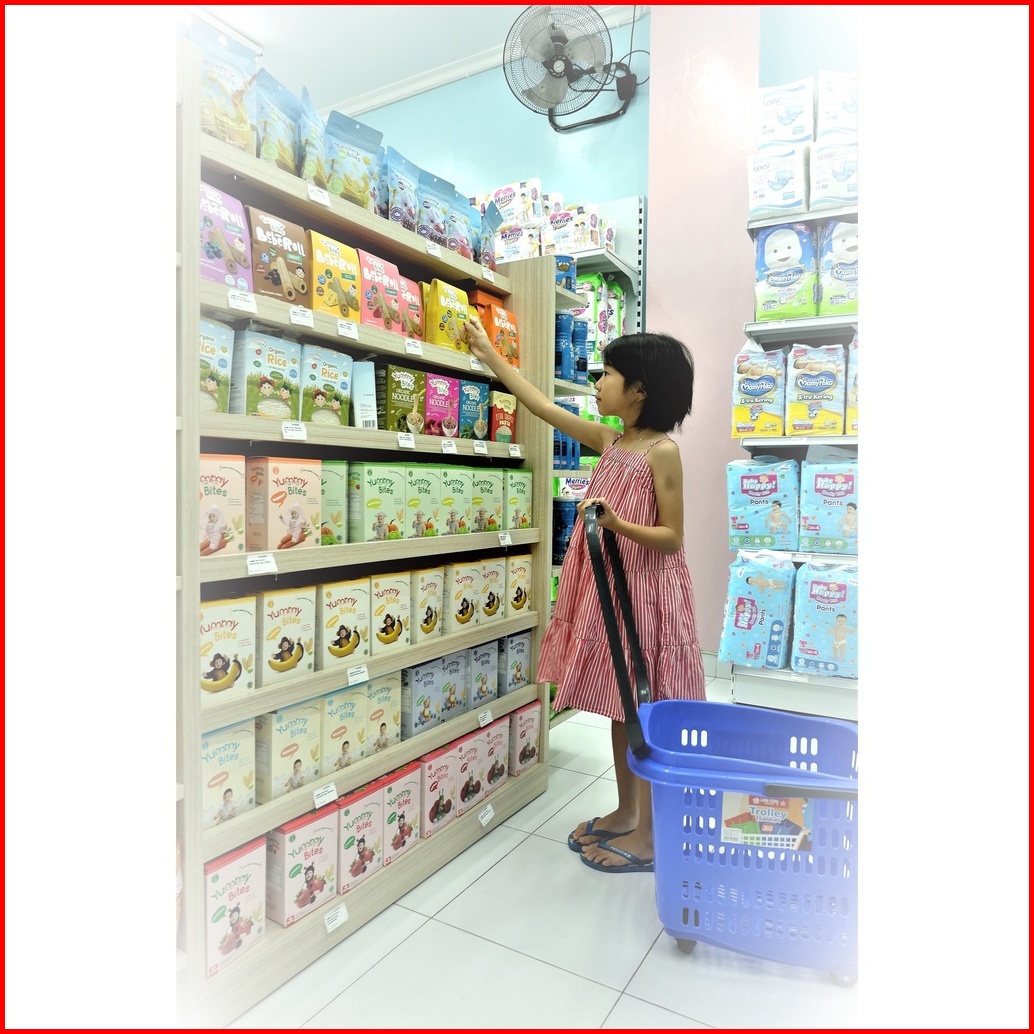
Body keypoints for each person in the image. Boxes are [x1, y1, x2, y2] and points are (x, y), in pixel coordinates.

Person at [462, 314, 706, 873]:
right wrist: (490, 357)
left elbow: (672, 537)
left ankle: (651, 837)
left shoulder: (661, 452)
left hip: (647, 600)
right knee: (624, 706)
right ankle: (627, 811)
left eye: (608, 374)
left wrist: (617, 524)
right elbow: (543, 406)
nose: (597, 383)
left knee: (648, 710)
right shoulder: (611, 442)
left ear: (639, 389)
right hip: (613, 596)